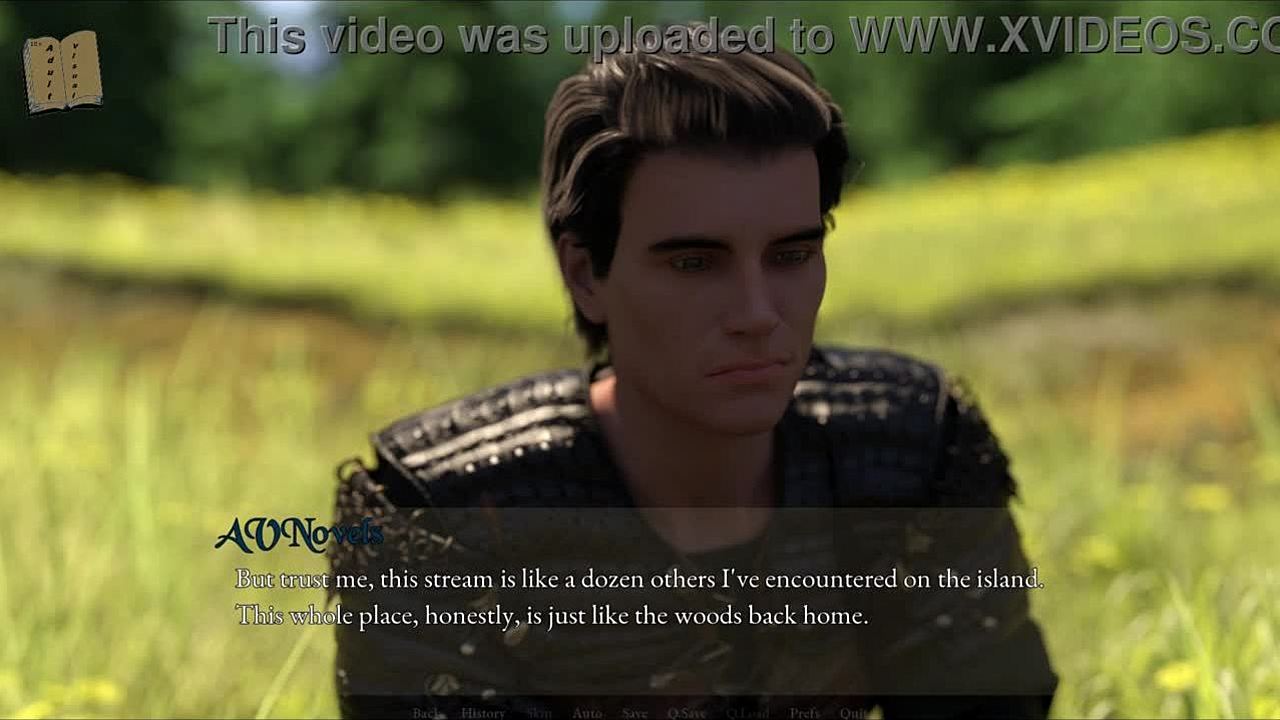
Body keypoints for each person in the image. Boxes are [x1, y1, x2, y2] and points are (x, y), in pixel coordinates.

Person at [328, 27, 1059, 720]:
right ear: (585, 273)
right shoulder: (443, 517)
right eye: (694, 263)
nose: (758, 313)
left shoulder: (911, 452)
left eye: (792, 255)